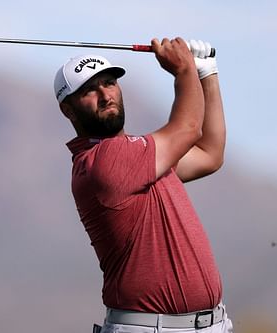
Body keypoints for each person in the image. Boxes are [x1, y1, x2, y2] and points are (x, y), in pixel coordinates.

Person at [53, 37, 233, 333]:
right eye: (88, 90)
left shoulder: (140, 156)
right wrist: (184, 69)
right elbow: (188, 128)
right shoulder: (103, 161)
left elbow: (209, 154)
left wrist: (206, 73)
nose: (105, 95)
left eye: (109, 83)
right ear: (68, 110)